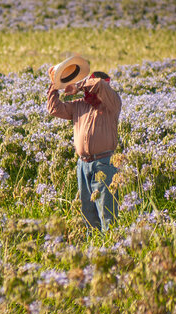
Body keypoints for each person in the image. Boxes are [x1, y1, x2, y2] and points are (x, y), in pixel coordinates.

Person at [47, 67, 122, 232]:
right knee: (88, 212)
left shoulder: (112, 103)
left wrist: (79, 85)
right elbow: (54, 109)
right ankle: (94, 247)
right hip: (83, 165)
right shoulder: (80, 105)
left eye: (90, 86)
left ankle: (112, 246)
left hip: (104, 163)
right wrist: (55, 85)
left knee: (107, 212)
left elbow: (100, 85)